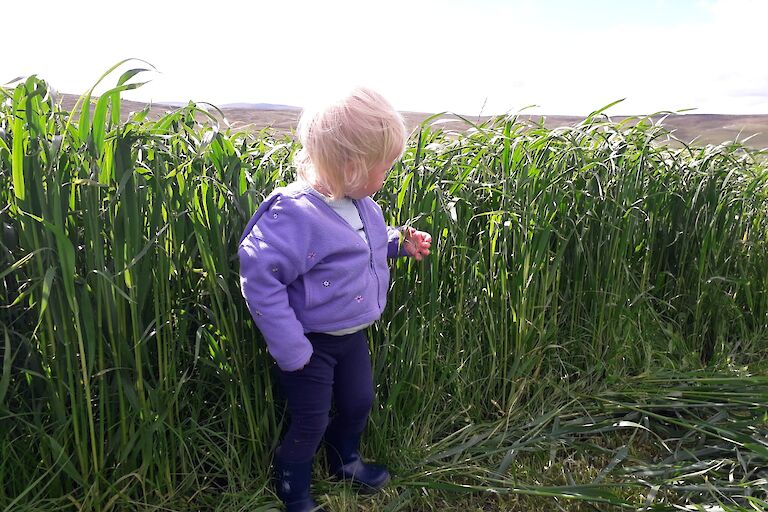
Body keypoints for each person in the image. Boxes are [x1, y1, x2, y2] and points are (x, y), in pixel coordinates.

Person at [238, 87, 432, 512]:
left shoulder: (362, 203)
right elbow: (260, 279)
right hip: (311, 345)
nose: (387, 177)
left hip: (351, 335)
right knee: (311, 418)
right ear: (352, 166)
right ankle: (294, 490)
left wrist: (401, 244)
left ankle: (344, 460)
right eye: (384, 168)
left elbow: (361, 244)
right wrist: (291, 348)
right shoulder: (293, 214)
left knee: (359, 401)